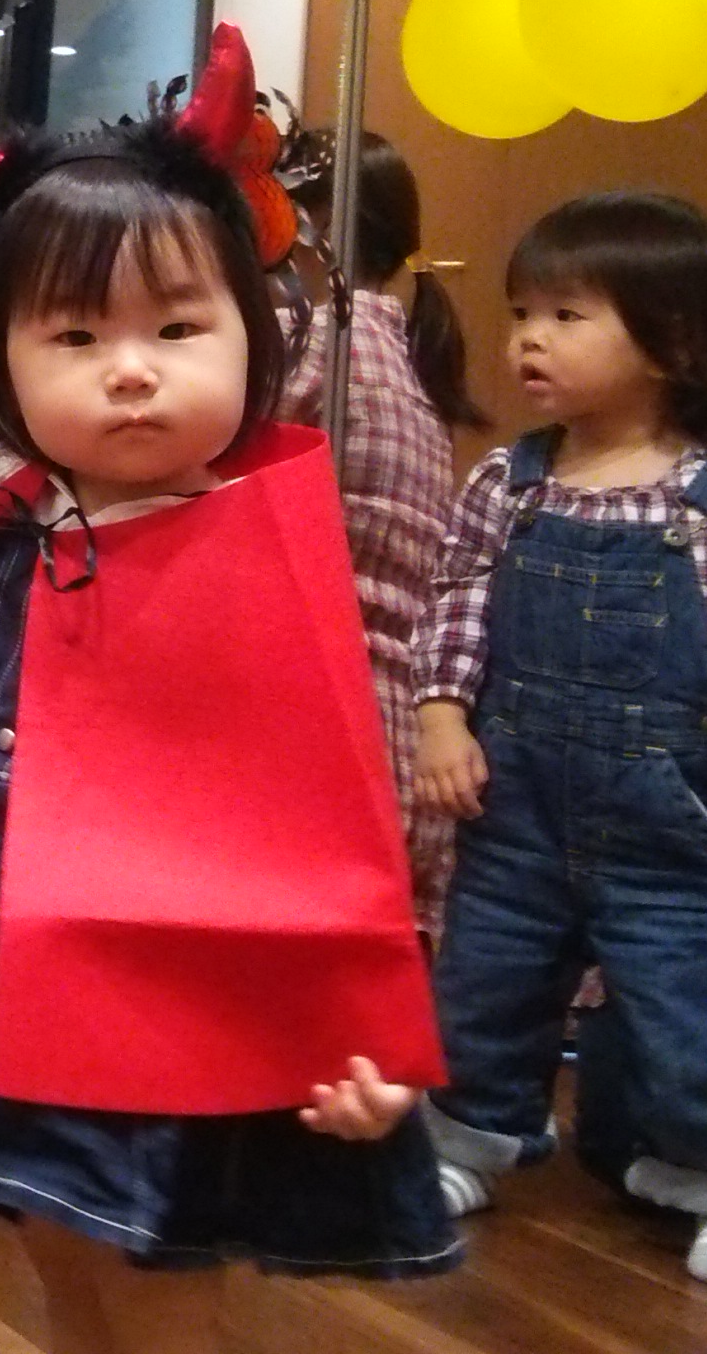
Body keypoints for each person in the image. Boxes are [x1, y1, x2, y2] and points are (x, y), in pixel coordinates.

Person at [0, 50, 454, 1347]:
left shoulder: (264, 558)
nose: (131, 370)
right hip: (13, 965)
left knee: (160, 1261)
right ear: (1, 362)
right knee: (49, 1231)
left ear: (252, 336)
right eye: (76, 336)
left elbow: (331, 825)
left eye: (177, 329)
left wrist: (362, 1032)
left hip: (184, 998)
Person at [408, 192, 707, 1287]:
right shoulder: (508, 481)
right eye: (522, 313)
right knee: (487, 979)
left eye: (566, 316)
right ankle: (466, 1140)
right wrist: (442, 714)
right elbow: (456, 603)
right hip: (516, 802)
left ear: (672, 340)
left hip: (669, 818)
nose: (528, 340)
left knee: (693, 1001)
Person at [280, 129, 479, 929]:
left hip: (327, 728)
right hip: (393, 732)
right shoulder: (396, 348)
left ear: (308, 226)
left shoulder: (320, 341)